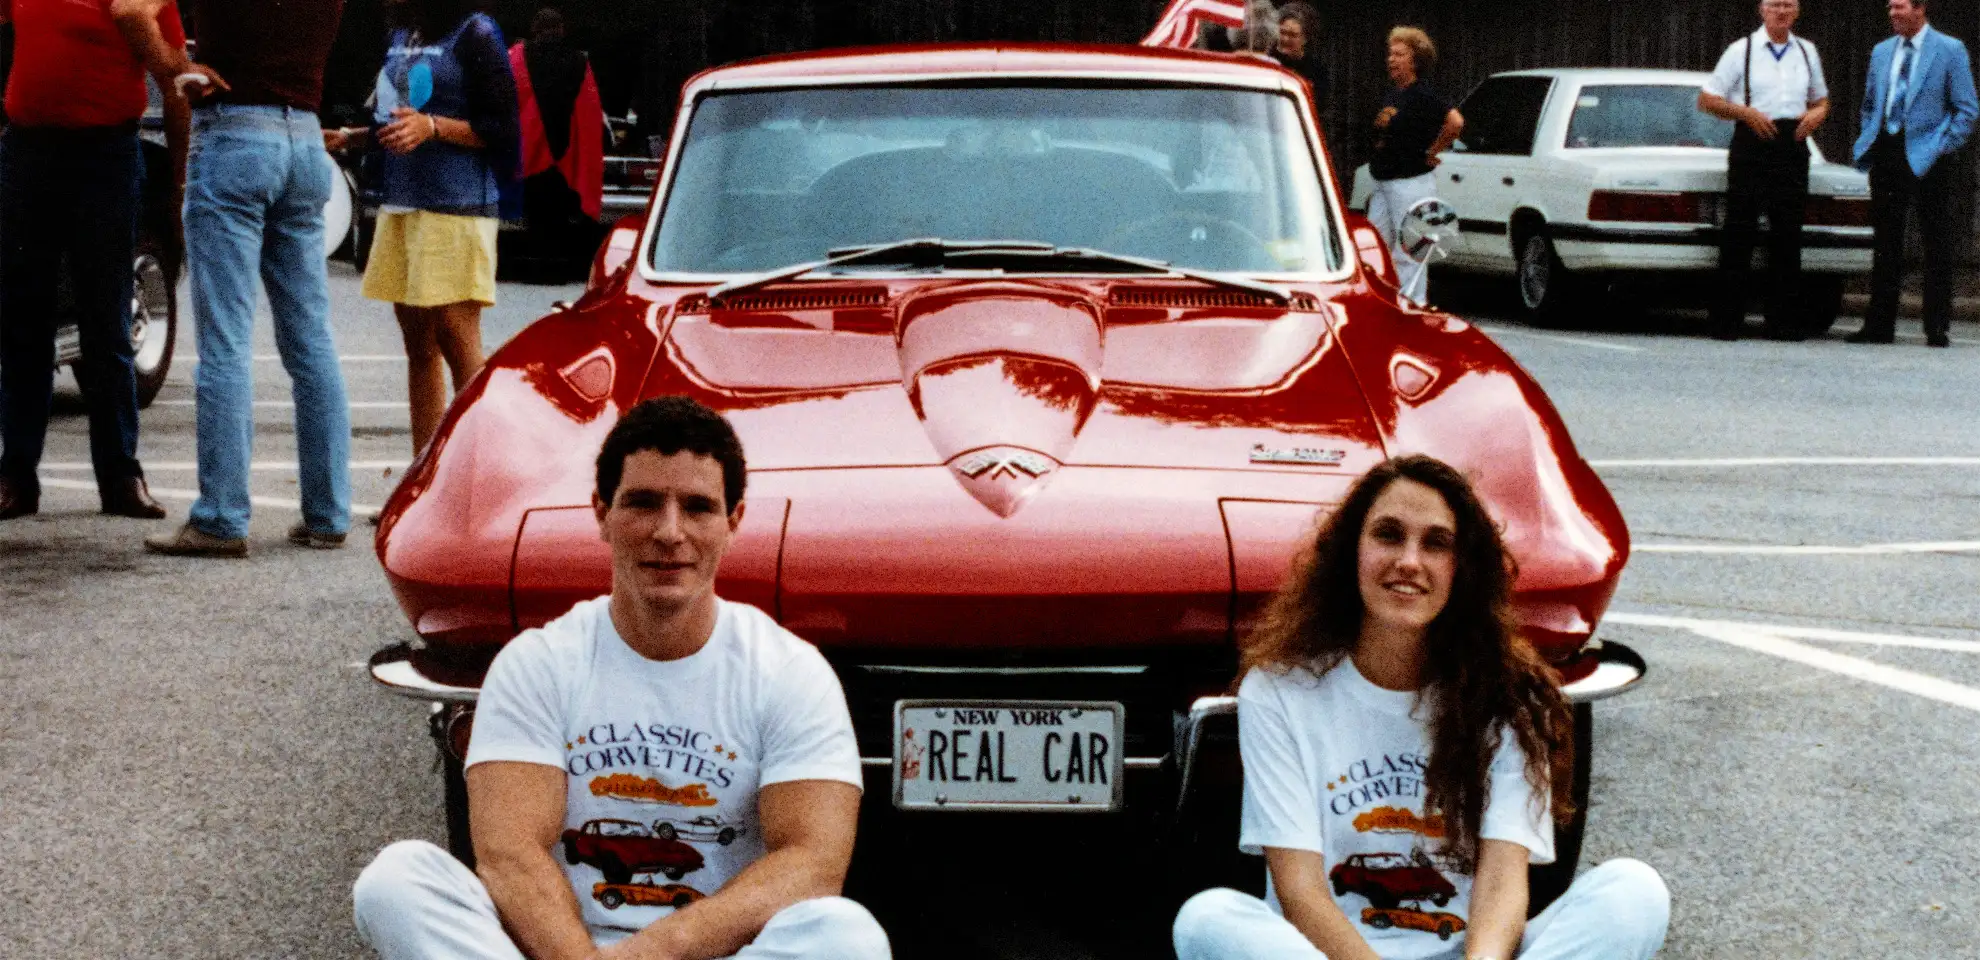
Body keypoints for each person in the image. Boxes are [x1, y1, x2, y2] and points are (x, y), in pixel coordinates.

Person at [351, 396, 891, 960]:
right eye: (643, 502)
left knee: (845, 934)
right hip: (560, 948)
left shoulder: (789, 671)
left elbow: (812, 863)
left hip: (712, 952)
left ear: (733, 522)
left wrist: (649, 952)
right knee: (397, 879)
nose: (669, 531)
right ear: (601, 514)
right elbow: (509, 854)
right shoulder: (540, 661)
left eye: (699, 507)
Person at [1172, 455, 1669, 960]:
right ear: (1352, 554)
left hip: (1470, 954)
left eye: (1436, 542)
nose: (1410, 560)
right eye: (1388, 535)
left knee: (1634, 892)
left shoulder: (1505, 695)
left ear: (1461, 570)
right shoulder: (1280, 692)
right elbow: (1300, 891)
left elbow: (1502, 881)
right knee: (1207, 919)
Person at [120, 0, 353, 557]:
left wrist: (174, 67)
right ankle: (328, 512)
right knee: (311, 340)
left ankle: (222, 516)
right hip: (304, 137)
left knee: (225, 340)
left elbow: (130, 10)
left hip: (234, 133)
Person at [0, 0, 189, 521]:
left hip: (106, 155)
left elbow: (174, 79)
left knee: (107, 321)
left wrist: (179, 181)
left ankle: (121, 476)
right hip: (28, 149)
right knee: (23, 320)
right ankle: (15, 475)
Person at [325, 0, 518, 457]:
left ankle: (478, 474)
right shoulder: (403, 36)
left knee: (457, 339)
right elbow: (399, 121)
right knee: (419, 346)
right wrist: (352, 137)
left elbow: (504, 129)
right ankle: (423, 478)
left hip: (457, 207)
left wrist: (433, 127)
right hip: (402, 204)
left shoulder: (476, 33)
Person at [1697, 0, 1829, 342]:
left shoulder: (1807, 51)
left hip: (1792, 143)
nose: (1781, 12)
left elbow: (1821, 100)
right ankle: (1726, 321)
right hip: (1753, 140)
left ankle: (1784, 322)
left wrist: (1817, 115)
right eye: (1774, 5)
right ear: (1761, 10)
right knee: (1740, 229)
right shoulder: (1741, 50)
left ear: (1798, 11)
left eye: (1788, 5)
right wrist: (1745, 113)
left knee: (1788, 231)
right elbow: (1708, 99)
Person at [1848, 0, 1977, 348]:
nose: (1892, 13)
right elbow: (1871, 103)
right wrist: (1870, 135)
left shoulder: (1949, 49)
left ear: (1920, 9)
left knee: (1936, 241)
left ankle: (1936, 325)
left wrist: (1942, 145)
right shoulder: (1881, 51)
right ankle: (1879, 325)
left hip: (1928, 154)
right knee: (1886, 241)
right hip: (1888, 150)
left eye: (1899, 7)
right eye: (1890, 7)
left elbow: (1966, 108)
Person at [1366, 28, 1462, 307]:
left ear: (1415, 60)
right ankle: (1380, 303)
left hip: (1411, 181)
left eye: (1399, 54)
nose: (1391, 60)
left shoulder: (1424, 94)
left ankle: (1412, 304)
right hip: (1383, 181)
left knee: (1411, 247)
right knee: (1374, 246)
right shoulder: (1393, 95)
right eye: (1390, 54)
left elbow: (1455, 122)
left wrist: (1433, 151)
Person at [512, 6, 605, 269]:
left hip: (532, 145)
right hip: (566, 148)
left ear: (534, 29)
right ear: (562, 30)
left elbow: (511, 98)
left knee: (535, 207)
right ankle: (558, 260)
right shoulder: (578, 60)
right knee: (559, 209)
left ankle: (537, 259)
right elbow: (589, 108)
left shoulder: (519, 56)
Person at [1271, 3, 1329, 115]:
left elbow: (1318, 107)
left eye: (1293, 35)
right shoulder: (1268, 61)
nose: (1285, 39)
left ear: (1305, 39)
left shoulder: (1317, 70)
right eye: (1282, 32)